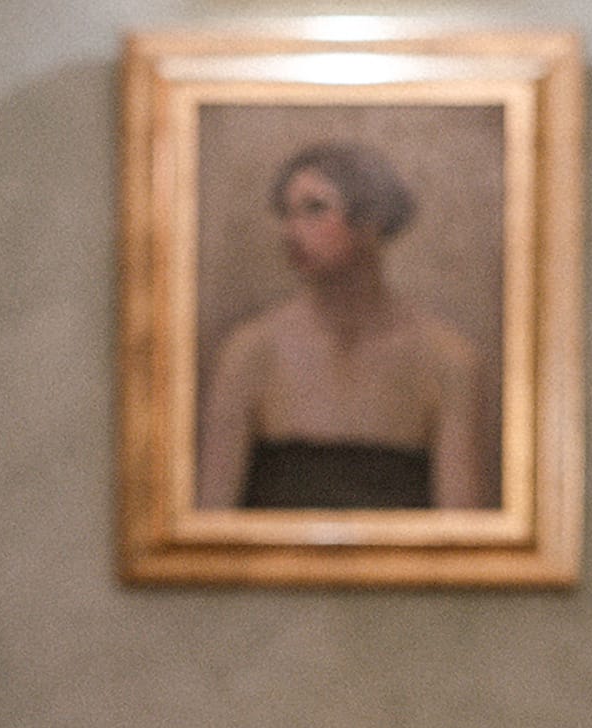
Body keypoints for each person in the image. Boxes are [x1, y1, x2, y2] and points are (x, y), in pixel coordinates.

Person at [195, 140, 487, 513]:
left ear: (372, 220)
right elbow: (210, 527)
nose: (291, 231)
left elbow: (463, 538)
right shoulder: (250, 352)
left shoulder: (447, 360)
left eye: (315, 209)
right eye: (287, 212)